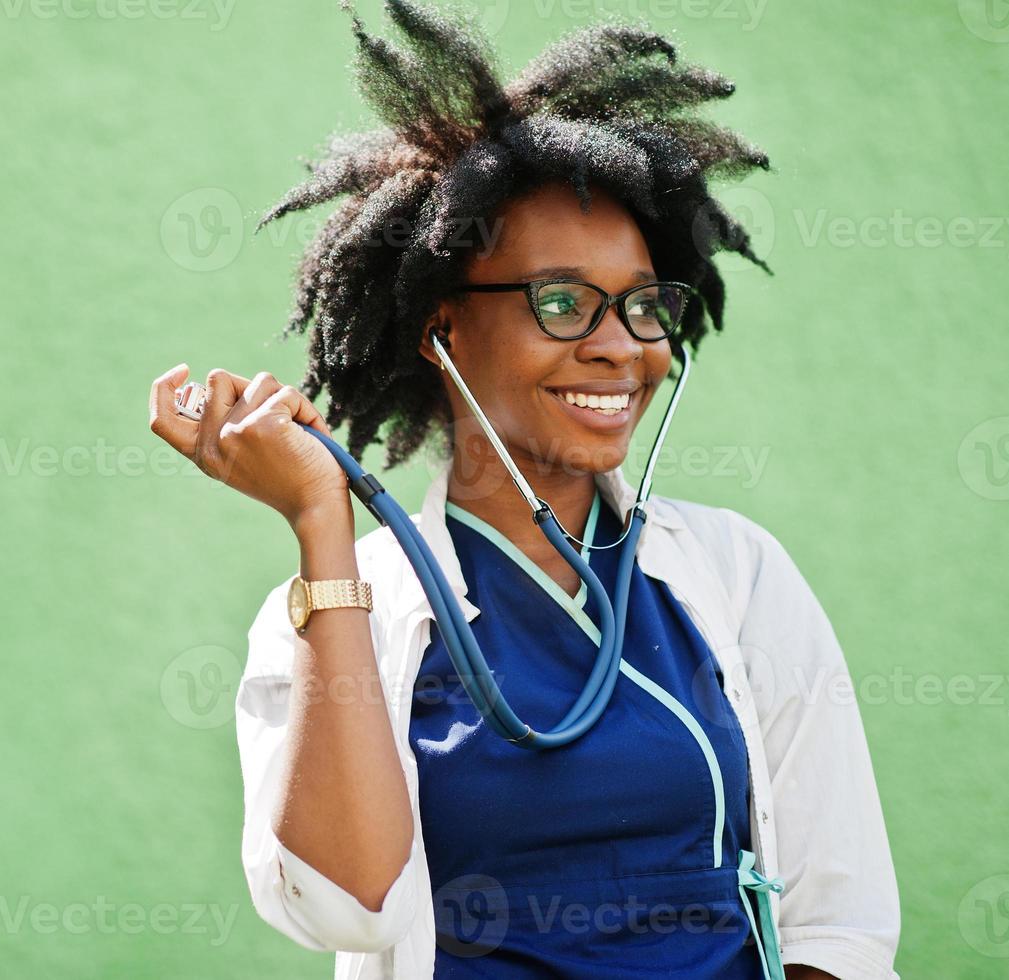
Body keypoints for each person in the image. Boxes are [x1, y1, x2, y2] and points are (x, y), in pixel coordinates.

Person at [147, 3, 899, 977]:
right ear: (442, 328)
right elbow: (349, 902)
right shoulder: (355, 603)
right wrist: (318, 524)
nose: (621, 343)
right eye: (561, 300)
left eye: (642, 303)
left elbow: (838, 925)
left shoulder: (737, 576)